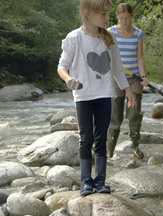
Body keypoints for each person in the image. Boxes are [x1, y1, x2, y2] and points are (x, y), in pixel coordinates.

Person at [57, 0, 135, 197]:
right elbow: (61, 66)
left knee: (101, 137)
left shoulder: (109, 39)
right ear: (87, 13)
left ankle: (100, 181)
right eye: (103, 13)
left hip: (104, 93)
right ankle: (86, 182)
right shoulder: (74, 38)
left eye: (108, 13)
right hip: (83, 95)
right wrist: (68, 79)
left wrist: (128, 90)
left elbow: (117, 68)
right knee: (86, 138)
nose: (107, 17)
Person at [107, 3, 150, 159]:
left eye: (127, 18)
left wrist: (143, 76)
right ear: (117, 17)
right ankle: (109, 151)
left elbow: (140, 57)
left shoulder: (138, 34)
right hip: (116, 78)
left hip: (134, 78)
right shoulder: (110, 32)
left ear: (132, 16)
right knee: (115, 117)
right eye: (121, 18)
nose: (124, 21)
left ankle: (135, 146)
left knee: (134, 114)